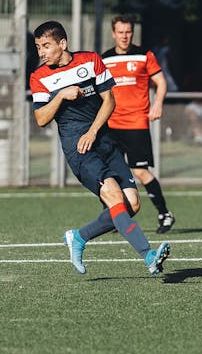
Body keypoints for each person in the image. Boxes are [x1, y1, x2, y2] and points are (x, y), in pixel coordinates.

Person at [29, 21, 170, 275]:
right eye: (38, 47)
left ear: (62, 44)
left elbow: (109, 100)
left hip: (104, 139)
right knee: (115, 197)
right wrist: (60, 95)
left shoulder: (91, 60)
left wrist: (94, 130)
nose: (41, 52)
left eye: (46, 46)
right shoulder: (39, 77)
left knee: (132, 204)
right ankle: (149, 255)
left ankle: (79, 238)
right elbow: (40, 118)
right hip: (78, 147)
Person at [101, 15, 175, 234]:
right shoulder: (104, 60)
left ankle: (165, 214)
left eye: (128, 32)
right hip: (111, 124)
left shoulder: (144, 55)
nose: (124, 36)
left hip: (136, 123)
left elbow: (161, 82)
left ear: (132, 33)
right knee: (110, 173)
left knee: (140, 172)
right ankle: (115, 217)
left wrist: (158, 104)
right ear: (113, 33)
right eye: (120, 32)